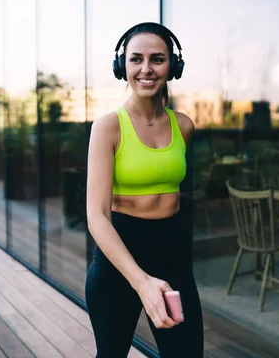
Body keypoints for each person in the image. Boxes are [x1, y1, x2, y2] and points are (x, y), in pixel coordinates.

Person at [84, 22, 204, 357]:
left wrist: (159, 281)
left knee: (186, 354)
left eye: (157, 59)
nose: (146, 69)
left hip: (172, 261)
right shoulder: (107, 127)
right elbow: (96, 217)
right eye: (136, 59)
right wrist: (141, 282)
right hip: (118, 263)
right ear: (122, 66)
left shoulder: (184, 126)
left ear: (173, 66)